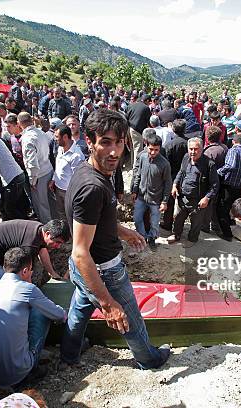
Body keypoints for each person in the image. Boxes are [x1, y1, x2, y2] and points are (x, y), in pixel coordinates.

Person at [60, 108, 170, 369]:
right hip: (102, 270)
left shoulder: (90, 172)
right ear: (89, 141)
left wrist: (123, 231)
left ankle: (68, 354)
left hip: (82, 270)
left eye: (119, 142)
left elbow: (93, 221)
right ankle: (149, 359)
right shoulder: (93, 188)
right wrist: (109, 303)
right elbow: (80, 251)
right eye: (105, 142)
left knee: (79, 310)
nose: (114, 152)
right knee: (129, 319)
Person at [0, 247, 66, 387]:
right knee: (40, 312)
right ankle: (31, 369)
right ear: (25, 271)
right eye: (30, 271)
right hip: (15, 373)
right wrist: (65, 314)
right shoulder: (27, 289)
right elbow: (59, 315)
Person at [0, 219, 70, 284]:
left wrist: (52, 273)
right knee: (11, 283)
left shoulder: (39, 229)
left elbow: (42, 250)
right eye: (57, 242)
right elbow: (24, 275)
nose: (58, 246)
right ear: (47, 234)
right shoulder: (29, 245)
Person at [167, 137, 219, 248]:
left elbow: (215, 185)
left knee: (196, 222)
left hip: (198, 200)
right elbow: (181, 173)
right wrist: (175, 185)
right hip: (183, 196)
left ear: (202, 149)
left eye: (196, 149)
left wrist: (207, 198)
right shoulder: (186, 158)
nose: (193, 152)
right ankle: (176, 235)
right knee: (178, 217)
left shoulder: (209, 164)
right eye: (190, 149)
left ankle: (192, 239)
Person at [131, 132, 172, 250]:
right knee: (137, 218)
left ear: (160, 148)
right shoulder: (142, 157)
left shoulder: (164, 164)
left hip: (156, 199)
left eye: (156, 150)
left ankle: (152, 239)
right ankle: (143, 237)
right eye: (150, 149)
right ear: (146, 146)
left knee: (154, 223)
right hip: (141, 196)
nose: (153, 152)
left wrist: (164, 201)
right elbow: (138, 174)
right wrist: (134, 190)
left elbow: (168, 183)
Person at [19, 112, 54, 223]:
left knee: (42, 205)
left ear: (19, 123)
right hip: (48, 169)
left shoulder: (28, 138)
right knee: (50, 202)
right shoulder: (40, 132)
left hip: (40, 175)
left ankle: (48, 230)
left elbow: (32, 164)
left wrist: (32, 181)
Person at [217, 133, 241, 240]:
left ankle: (227, 234)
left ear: (233, 142)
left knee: (222, 209)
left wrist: (217, 172)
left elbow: (230, 165)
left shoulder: (233, 150)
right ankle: (231, 222)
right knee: (233, 206)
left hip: (230, 185)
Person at [49, 124, 84, 220]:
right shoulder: (60, 148)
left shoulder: (76, 156)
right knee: (61, 214)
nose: (54, 139)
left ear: (65, 137)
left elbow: (77, 178)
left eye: (57, 137)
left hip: (69, 193)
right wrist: (53, 179)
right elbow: (58, 166)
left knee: (71, 216)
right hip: (58, 189)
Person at [160, 119, 188, 231]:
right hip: (186, 176)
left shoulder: (168, 145)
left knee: (170, 201)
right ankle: (179, 226)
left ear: (173, 129)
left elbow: (165, 163)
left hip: (171, 176)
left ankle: (167, 223)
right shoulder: (189, 143)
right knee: (183, 202)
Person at [126, 94, 152, 168]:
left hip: (129, 128)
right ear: (146, 101)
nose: (149, 104)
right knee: (138, 149)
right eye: (149, 102)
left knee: (132, 148)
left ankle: (132, 164)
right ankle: (136, 167)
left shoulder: (132, 105)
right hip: (137, 130)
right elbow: (149, 121)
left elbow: (126, 116)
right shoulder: (146, 108)